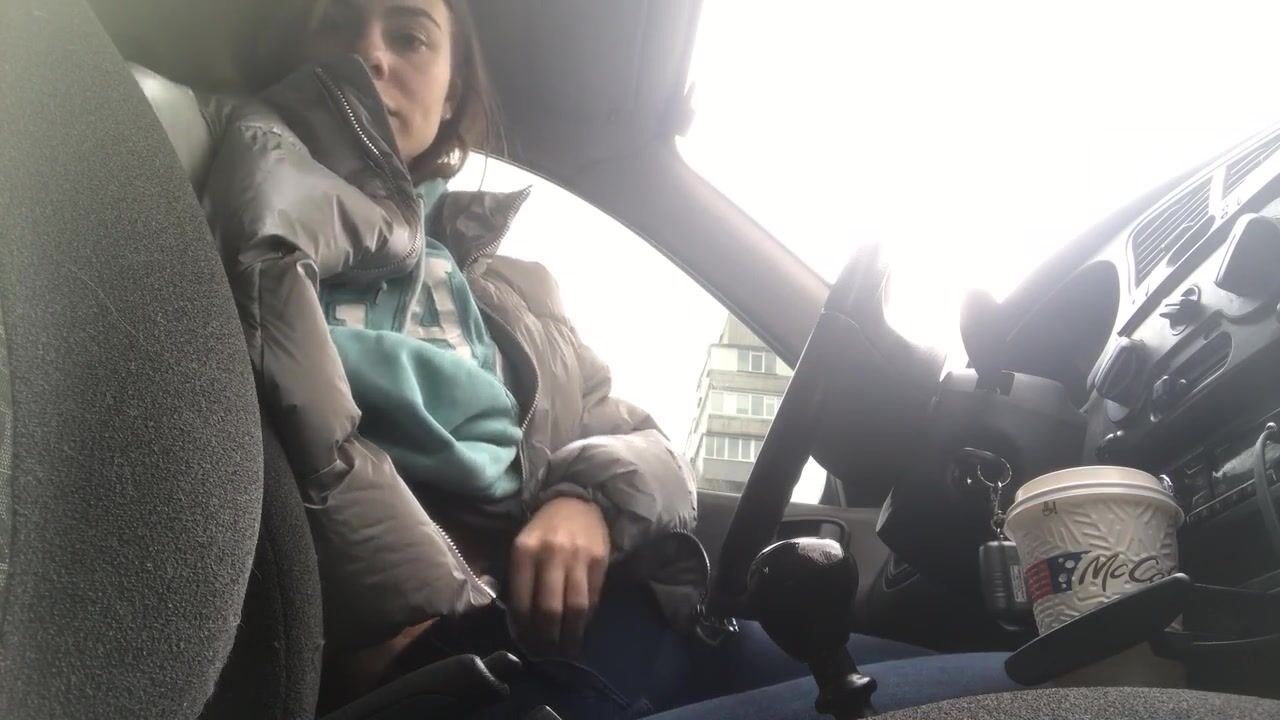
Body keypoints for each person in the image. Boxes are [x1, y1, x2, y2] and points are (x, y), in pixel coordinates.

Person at [201, 0, 1020, 717]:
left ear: (452, 90)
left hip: (636, 625)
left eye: (410, 35)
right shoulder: (235, 215)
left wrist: (585, 500)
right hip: (483, 668)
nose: (370, 54)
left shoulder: (513, 292)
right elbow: (298, 434)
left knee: (1031, 679)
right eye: (339, 23)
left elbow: (650, 445)